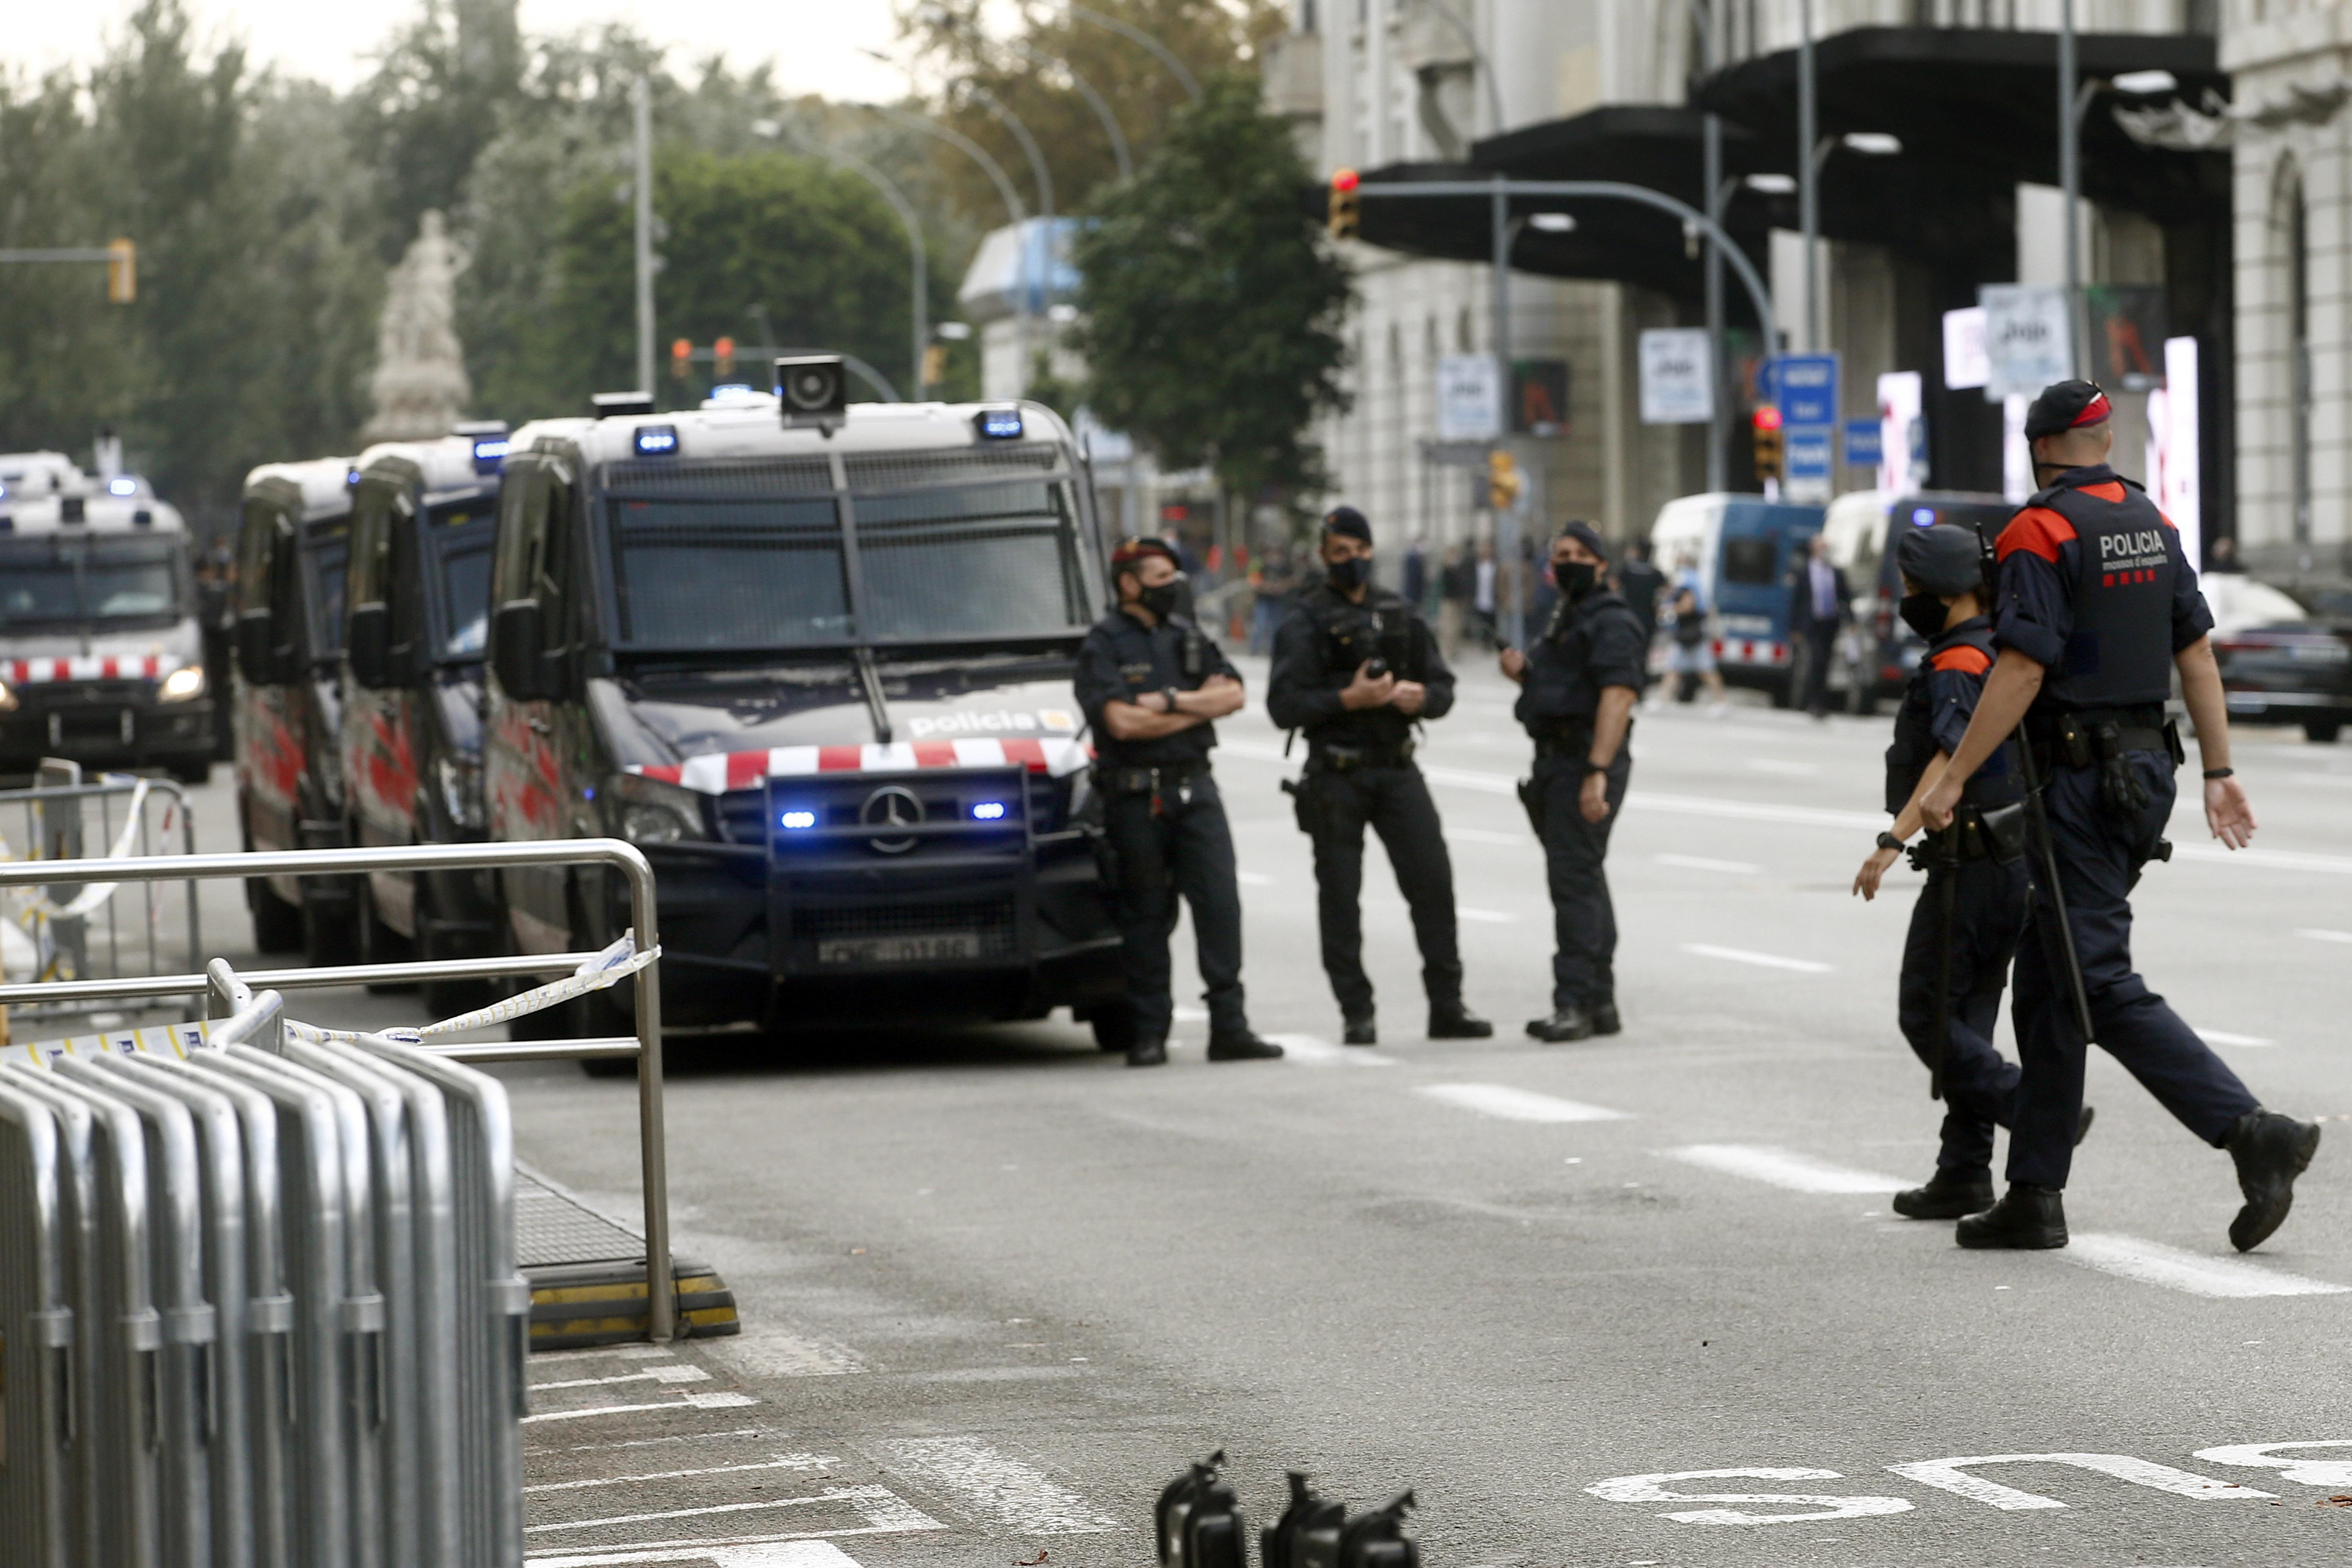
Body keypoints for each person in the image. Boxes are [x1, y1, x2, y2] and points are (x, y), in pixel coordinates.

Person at [1920, 379, 2319, 1252]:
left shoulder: (2042, 530)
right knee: (2051, 976)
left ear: (2039, 445)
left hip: (2078, 782)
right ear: (2102, 438)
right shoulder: (2156, 523)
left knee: (2093, 977)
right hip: (2149, 772)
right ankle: (2035, 1193)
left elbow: (2021, 671)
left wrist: (1953, 774)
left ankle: (2255, 1133)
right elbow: (2196, 654)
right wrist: (2219, 769)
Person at [1853, 523, 2088, 1217]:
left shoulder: (1958, 659)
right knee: (1966, 1018)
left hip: (1971, 866)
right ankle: (1963, 1170)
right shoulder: (1995, 649)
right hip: (2008, 862)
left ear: (1948, 589)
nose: (1905, 597)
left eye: (1912, 585)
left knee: (1926, 1013)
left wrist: (1890, 838)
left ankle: (2030, 1106)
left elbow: (1947, 758)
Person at [1268, 506, 1492, 1045]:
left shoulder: (1399, 611)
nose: (1352, 560)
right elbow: (1284, 706)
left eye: (1360, 550)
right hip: (1336, 774)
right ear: (1324, 556)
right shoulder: (1305, 620)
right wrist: (1349, 698)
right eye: (1341, 552)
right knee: (1341, 899)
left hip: (1396, 767)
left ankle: (1447, 1005)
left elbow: (1442, 687)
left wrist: (1421, 699)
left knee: (1433, 886)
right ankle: (1357, 1012)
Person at [1073, 536, 1283, 1068]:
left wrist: (1168, 702)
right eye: (1161, 578)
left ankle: (1230, 1028)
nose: (1173, 587)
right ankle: (1149, 1033)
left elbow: (1234, 695)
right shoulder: (1104, 644)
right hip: (1135, 798)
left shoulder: (1185, 635)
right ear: (1129, 583)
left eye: (1174, 577)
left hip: (1196, 789)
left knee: (1219, 907)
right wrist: (1199, 707)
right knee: (1146, 916)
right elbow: (1120, 721)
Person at [1501, 522, 1643, 1041]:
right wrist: (1525, 676)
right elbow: (1567, 688)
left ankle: (1576, 1003)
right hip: (1558, 761)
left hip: (1584, 763)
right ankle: (1601, 1003)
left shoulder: (1612, 620)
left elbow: (1618, 697)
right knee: (1584, 877)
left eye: (1581, 554)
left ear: (1601, 564)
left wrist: (1597, 774)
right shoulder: (1566, 615)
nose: (1569, 561)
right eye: (1561, 553)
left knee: (1574, 882)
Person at [1651, 555, 1728, 714]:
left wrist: (1669, 609)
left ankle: (1722, 702)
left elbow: (1688, 606)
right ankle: (1661, 699)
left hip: (1691, 634)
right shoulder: (1695, 581)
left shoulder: (1689, 583)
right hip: (1690, 634)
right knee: (1674, 669)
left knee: (1705, 670)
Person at [1788, 533, 1852, 718]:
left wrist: (1851, 622)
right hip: (1811, 624)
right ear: (1814, 549)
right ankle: (1812, 702)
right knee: (1816, 660)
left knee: (1825, 663)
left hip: (1830, 623)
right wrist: (1795, 628)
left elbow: (1845, 599)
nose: (1825, 551)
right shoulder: (1804, 572)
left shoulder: (1836, 572)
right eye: (1821, 547)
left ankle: (1820, 703)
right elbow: (1796, 601)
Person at [1616, 537, 1667, 688]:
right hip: (1648, 619)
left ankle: (1630, 684)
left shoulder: (1628, 570)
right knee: (1644, 655)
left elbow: (1614, 586)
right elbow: (1667, 591)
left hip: (1629, 618)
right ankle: (1641, 687)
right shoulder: (1655, 573)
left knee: (1629, 653)